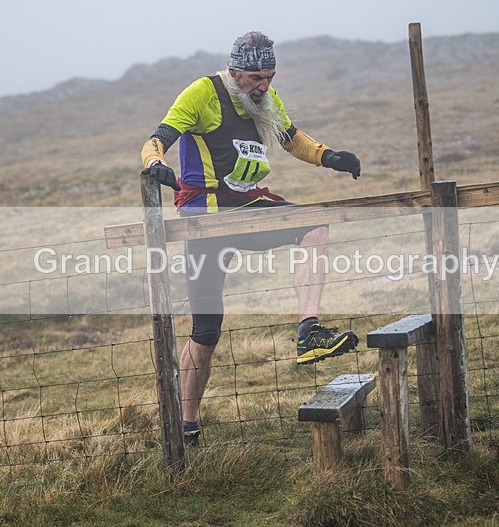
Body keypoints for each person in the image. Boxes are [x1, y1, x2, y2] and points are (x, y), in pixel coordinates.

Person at [140, 31, 363, 446]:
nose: (263, 87)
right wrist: (155, 163)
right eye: (255, 78)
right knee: (205, 329)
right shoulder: (203, 93)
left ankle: (309, 330)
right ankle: (187, 425)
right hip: (205, 217)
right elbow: (158, 139)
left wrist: (330, 157)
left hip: (246, 208)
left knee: (313, 225)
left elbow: (291, 137)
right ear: (235, 71)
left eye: (270, 77)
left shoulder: (265, 100)